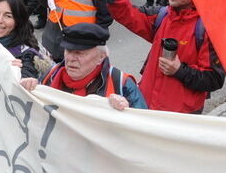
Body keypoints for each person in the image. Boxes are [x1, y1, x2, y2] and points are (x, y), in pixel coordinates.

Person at [103, 0, 225, 113]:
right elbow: (128, 15)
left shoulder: (206, 29)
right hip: (145, 106)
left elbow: (214, 78)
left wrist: (180, 70)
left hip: (179, 118)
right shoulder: (161, 16)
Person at [19, 22, 147, 110]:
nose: (71, 59)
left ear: (101, 57)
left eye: (80, 53)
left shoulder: (121, 83)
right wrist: (27, 85)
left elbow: (143, 126)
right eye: (68, 51)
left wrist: (126, 111)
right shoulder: (50, 74)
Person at [0, 0, 42, 79]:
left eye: (8, 16)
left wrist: (15, 73)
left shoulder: (27, 55)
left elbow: (27, 82)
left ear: (17, 21)